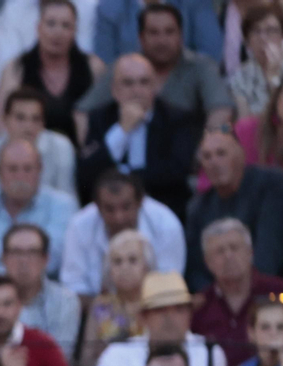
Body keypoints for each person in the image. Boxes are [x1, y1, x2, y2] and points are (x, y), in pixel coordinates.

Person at [75, 52, 200, 217]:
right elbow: (87, 175)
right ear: (114, 90)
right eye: (128, 83)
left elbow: (176, 172)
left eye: (144, 82)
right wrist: (122, 130)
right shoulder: (100, 118)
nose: (137, 90)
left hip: (163, 209)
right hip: (110, 212)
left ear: (155, 87)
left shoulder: (177, 119)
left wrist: (124, 177)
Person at [80, 3, 233, 123]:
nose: (162, 41)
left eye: (169, 32)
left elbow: (221, 109)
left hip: (188, 155)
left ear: (180, 36)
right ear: (141, 38)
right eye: (153, 33)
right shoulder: (124, 67)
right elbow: (82, 112)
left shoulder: (201, 66)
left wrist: (209, 147)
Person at [0, 137, 78, 278]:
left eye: (28, 169)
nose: (20, 176)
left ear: (40, 169)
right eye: (12, 169)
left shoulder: (62, 205)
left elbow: (53, 260)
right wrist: (28, 251)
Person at [183, 126, 283, 291]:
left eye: (221, 153)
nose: (214, 163)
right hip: (221, 299)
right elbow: (196, 270)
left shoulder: (271, 185)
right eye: (207, 157)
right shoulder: (198, 208)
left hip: (272, 291)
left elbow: (270, 256)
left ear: (240, 155)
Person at [97, 271, 230, 366]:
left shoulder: (209, 352)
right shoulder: (116, 355)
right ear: (143, 318)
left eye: (178, 309)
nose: (170, 318)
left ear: (190, 314)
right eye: (159, 310)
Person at [0, 222, 84, 364]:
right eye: (16, 252)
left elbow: (59, 358)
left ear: (45, 259)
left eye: (32, 252)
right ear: (3, 258)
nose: (23, 261)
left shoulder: (66, 300)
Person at [189, 217, 283, 366]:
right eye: (220, 251)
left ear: (250, 252)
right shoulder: (200, 306)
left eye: (234, 248)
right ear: (207, 262)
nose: (228, 256)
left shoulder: (280, 291)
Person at [58, 168, 184, 297]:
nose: (119, 218)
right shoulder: (79, 226)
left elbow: (170, 286)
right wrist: (108, 309)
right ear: (97, 207)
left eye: (126, 207)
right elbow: (73, 288)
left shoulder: (166, 225)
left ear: (140, 202)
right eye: (110, 209)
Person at [0, 0, 104, 144]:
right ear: (38, 28)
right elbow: (2, 123)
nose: (57, 32)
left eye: (66, 25)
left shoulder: (94, 67)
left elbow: (106, 119)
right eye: (51, 24)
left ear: (75, 31)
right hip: (29, 155)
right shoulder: (16, 69)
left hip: (82, 156)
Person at [0, 87, 79, 198]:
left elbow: (67, 200)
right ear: (5, 120)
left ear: (43, 123)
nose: (28, 126)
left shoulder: (61, 148)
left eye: (35, 119)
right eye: (20, 118)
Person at [78, 227, 152, 366]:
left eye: (133, 260)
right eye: (117, 262)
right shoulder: (101, 306)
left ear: (146, 267)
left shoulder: (156, 304)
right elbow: (85, 362)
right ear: (109, 270)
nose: (125, 268)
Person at [92, 0, 222, 65]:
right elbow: (105, 63)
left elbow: (211, 55)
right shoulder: (110, 7)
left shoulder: (194, 3)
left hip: (186, 87)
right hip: (131, 89)